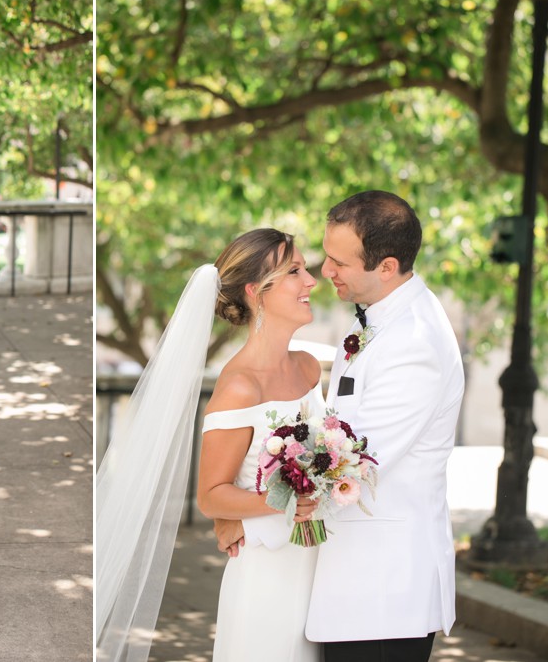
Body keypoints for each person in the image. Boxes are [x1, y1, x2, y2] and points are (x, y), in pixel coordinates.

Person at [217, 191, 464, 662]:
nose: (324, 272)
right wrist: (230, 505)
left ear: (386, 267)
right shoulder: (383, 322)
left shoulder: (413, 342)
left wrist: (242, 511)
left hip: (384, 589)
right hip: (348, 585)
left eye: (338, 262)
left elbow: (348, 465)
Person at [95, 227, 322, 662]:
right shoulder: (239, 387)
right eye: (295, 271)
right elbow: (211, 495)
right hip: (268, 572)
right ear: (257, 292)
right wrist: (289, 501)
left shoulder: (310, 367)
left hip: (321, 564)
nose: (311, 281)